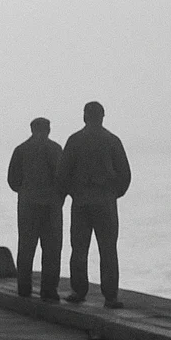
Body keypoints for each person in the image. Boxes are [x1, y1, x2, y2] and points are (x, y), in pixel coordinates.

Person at [57, 100, 132, 309]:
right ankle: (110, 296)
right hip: (105, 203)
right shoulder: (112, 141)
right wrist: (113, 194)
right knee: (108, 249)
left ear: (84, 116)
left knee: (79, 248)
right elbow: (125, 174)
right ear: (102, 117)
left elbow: (62, 174)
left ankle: (78, 290)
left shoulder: (74, 140)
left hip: (81, 203)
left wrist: (73, 193)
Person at [7, 117, 65, 302]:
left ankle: (23, 287)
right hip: (51, 207)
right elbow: (63, 178)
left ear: (31, 129)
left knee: (26, 247)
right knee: (52, 249)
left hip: (28, 205)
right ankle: (49, 290)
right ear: (48, 130)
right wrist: (58, 198)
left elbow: (12, 180)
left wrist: (25, 191)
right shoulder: (55, 149)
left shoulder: (21, 150)